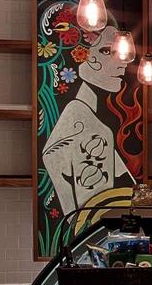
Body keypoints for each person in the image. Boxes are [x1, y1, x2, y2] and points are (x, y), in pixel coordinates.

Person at [41, 14, 129, 214]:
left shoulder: (80, 115)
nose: (122, 63)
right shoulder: (86, 124)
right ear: (83, 55)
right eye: (107, 51)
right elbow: (97, 214)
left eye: (122, 53)